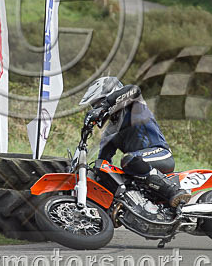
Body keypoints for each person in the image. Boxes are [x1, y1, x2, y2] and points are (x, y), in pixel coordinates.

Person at [80, 76, 190, 213]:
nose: (97, 108)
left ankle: (174, 191)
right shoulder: (110, 132)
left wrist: (105, 105)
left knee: (128, 159)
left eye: (98, 103)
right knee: (108, 171)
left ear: (111, 94)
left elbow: (134, 89)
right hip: (138, 167)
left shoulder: (133, 106)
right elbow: (103, 162)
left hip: (160, 154)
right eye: (94, 105)